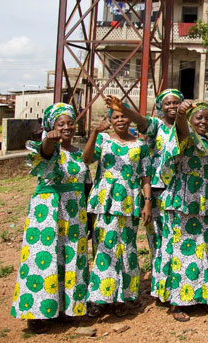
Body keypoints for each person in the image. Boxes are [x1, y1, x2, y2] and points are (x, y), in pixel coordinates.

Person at [10, 103, 91, 334]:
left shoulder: (77, 153)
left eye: (70, 122)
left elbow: (87, 183)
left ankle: (67, 309)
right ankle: (38, 314)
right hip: (49, 211)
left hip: (75, 212)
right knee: (44, 258)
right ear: (50, 126)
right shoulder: (48, 148)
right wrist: (49, 139)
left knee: (71, 258)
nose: (67, 127)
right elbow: (45, 153)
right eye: (60, 123)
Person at [153, 100, 208, 321]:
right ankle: (179, 301)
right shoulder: (185, 137)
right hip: (184, 200)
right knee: (184, 249)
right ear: (189, 120)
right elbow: (181, 129)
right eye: (199, 117)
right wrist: (180, 113)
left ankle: (205, 294)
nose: (204, 121)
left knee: (207, 247)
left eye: (207, 118)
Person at [105, 89, 183, 304]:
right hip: (158, 191)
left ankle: (176, 286)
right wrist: (124, 110)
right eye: (168, 103)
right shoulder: (156, 126)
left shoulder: (185, 127)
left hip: (181, 190)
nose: (172, 106)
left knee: (176, 240)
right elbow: (140, 120)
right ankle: (161, 289)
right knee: (158, 241)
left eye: (176, 102)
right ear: (161, 106)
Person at [82, 106, 150, 318]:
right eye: (116, 117)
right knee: (104, 247)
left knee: (127, 248)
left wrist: (147, 202)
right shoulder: (103, 140)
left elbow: (145, 176)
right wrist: (94, 133)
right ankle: (100, 297)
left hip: (129, 199)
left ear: (130, 119)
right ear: (110, 120)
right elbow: (86, 159)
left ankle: (123, 297)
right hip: (105, 199)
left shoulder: (140, 144)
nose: (120, 120)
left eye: (124, 116)